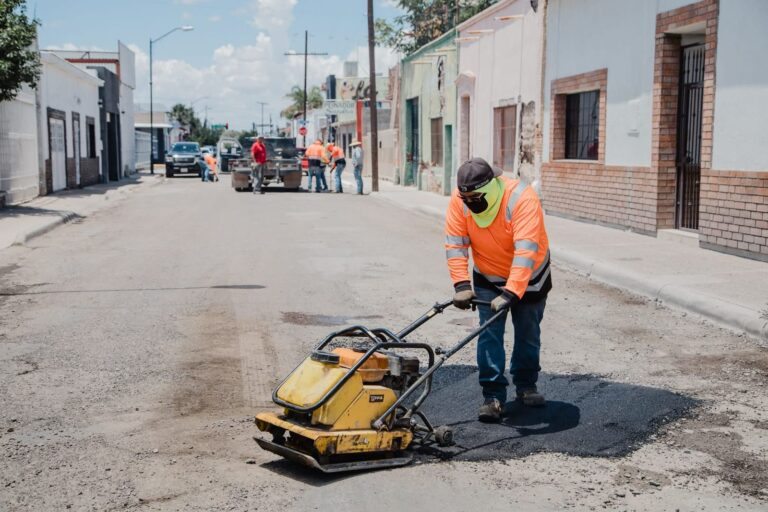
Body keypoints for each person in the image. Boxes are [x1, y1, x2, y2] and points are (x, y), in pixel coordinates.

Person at [445, 158, 552, 423]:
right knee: (489, 335)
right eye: (465, 196)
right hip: (488, 275)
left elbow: (526, 250)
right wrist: (461, 285)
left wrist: (512, 292)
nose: (469, 201)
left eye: (474, 196)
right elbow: (456, 244)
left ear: (491, 186)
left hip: (530, 276)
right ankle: (492, 396)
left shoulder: (521, 198)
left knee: (527, 333)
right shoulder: (460, 201)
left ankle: (526, 385)